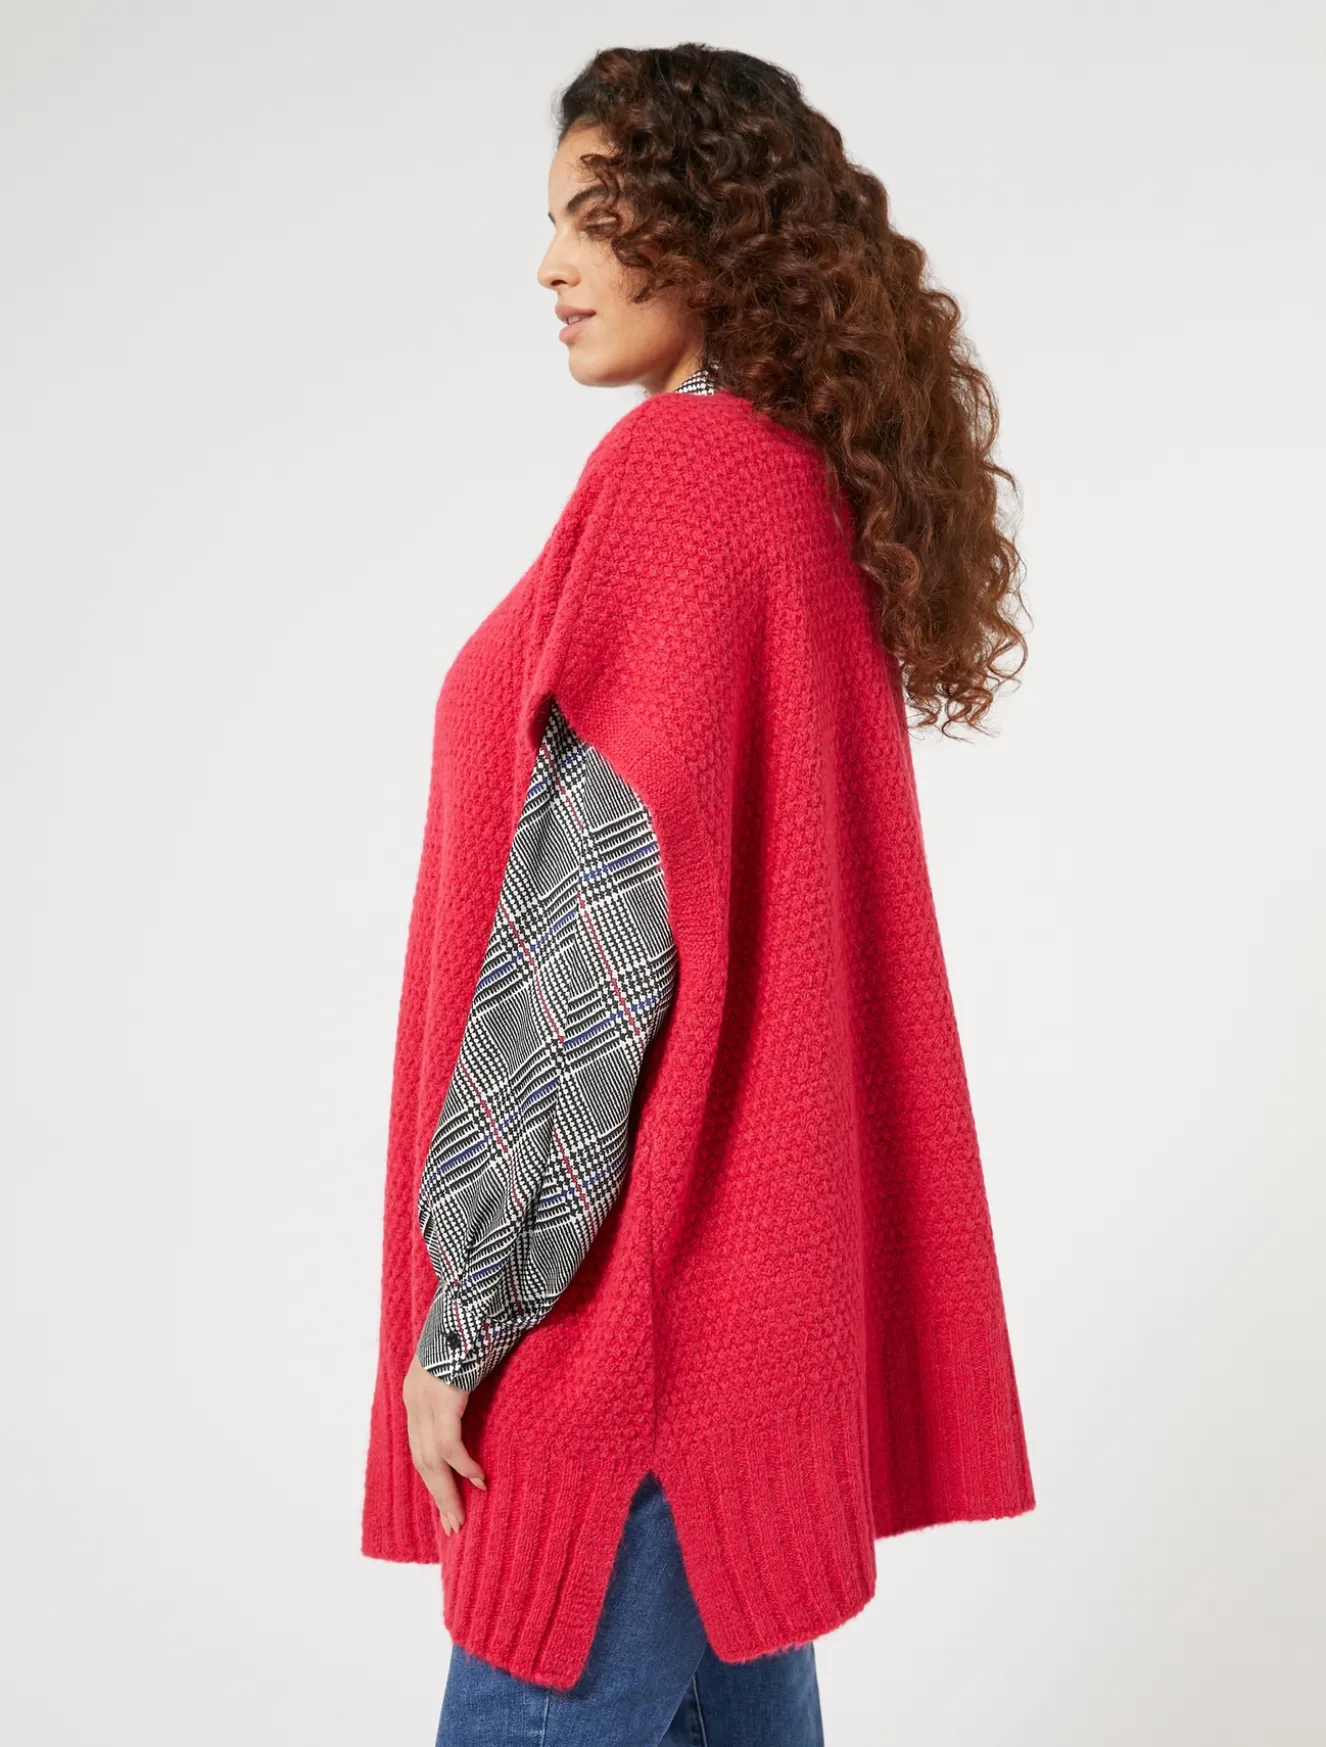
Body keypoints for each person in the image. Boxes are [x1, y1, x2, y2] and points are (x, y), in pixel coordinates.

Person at [361, 43, 1037, 1747]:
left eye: (595, 218)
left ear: (712, 231)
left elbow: (593, 944)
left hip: (621, 1353)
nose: (550, 264)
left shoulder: (676, 483)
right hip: (740, 1348)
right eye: (551, 221)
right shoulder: (792, 492)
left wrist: (466, 1318)